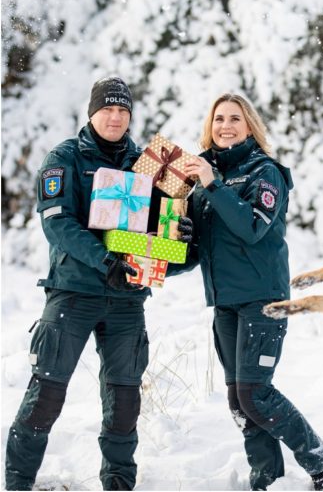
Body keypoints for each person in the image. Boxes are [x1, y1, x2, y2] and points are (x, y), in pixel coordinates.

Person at [4, 77, 192, 490]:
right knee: (46, 396)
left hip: (126, 300)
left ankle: (119, 484)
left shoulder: (149, 165)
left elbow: (161, 243)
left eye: (123, 111)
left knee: (125, 403)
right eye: (107, 109)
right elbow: (58, 224)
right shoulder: (66, 157)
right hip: (73, 293)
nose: (115, 117)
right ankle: (17, 483)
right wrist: (104, 259)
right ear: (92, 113)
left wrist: (179, 235)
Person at [179, 94, 323, 491]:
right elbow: (196, 254)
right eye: (218, 118)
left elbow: (251, 227)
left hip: (262, 299)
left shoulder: (265, 172)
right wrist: (164, 253)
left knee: (256, 392)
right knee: (240, 399)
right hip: (224, 303)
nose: (226, 125)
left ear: (250, 125)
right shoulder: (203, 185)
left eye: (235, 118)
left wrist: (213, 185)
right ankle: (266, 478)